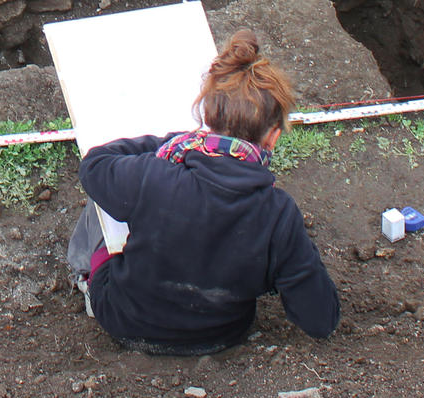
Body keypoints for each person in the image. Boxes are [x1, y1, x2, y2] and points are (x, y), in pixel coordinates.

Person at [67, 29, 340, 355]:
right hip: (221, 335)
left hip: (125, 320)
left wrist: (169, 144)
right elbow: (321, 320)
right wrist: (291, 257)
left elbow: (94, 165)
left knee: (106, 197)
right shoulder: (278, 214)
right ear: (273, 138)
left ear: (209, 119)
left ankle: (84, 277)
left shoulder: (153, 176)